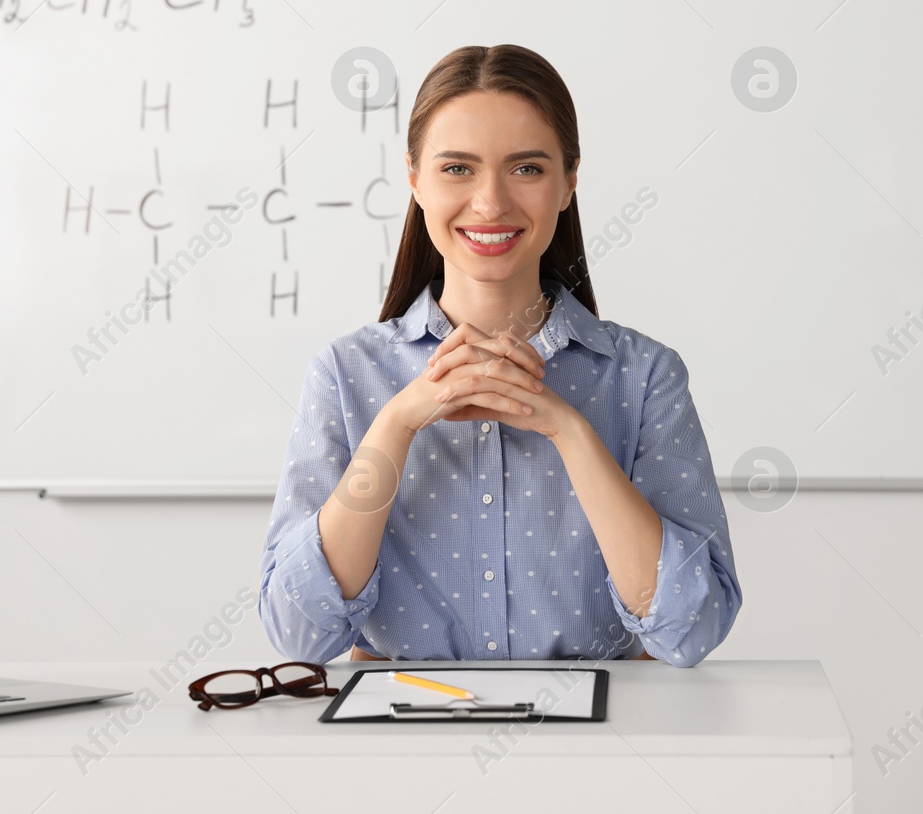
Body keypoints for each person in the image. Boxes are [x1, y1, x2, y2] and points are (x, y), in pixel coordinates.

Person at [257, 44, 740, 667]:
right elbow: (299, 636)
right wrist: (396, 425)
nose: (489, 203)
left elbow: (691, 632)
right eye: (457, 168)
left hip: (599, 752)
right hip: (401, 751)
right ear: (414, 180)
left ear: (568, 182)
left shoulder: (644, 377)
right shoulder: (348, 375)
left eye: (527, 169)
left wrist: (567, 429)